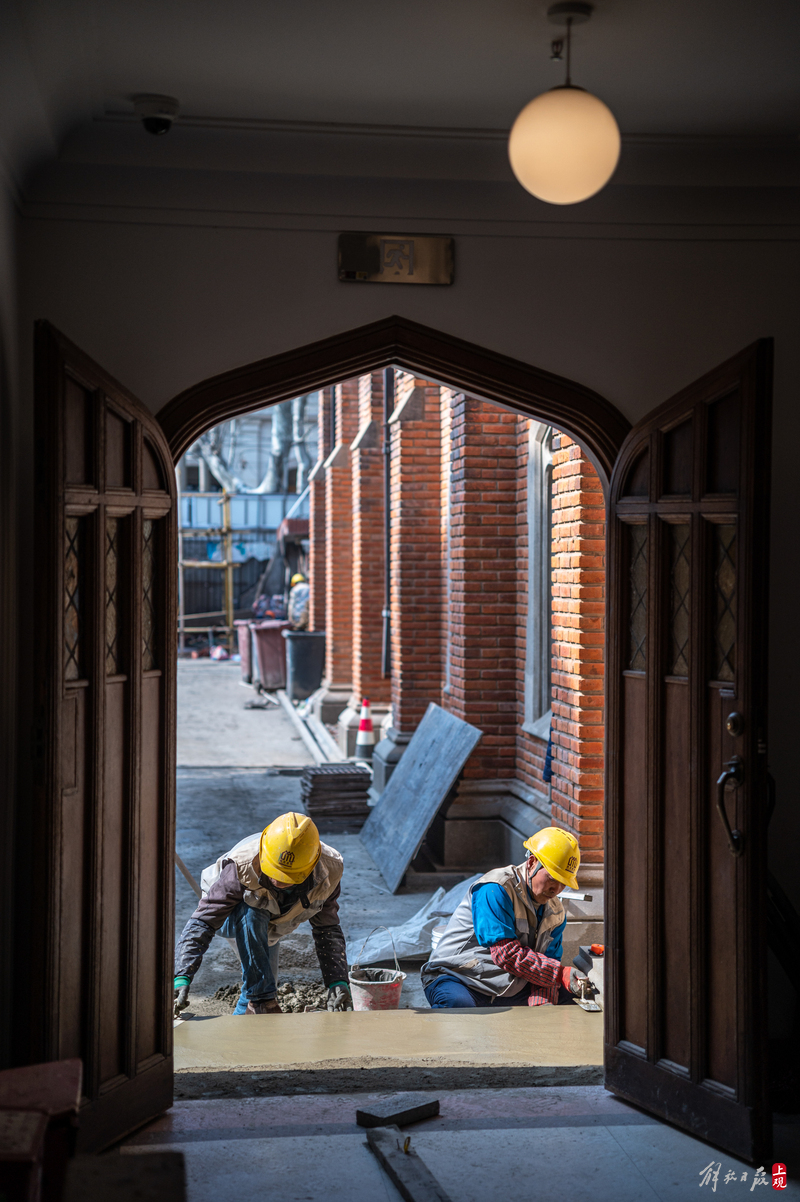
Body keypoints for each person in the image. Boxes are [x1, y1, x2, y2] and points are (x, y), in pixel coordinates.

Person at [173, 812, 353, 1015]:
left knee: (263, 983)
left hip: (275, 920)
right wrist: (182, 975)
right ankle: (260, 1002)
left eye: (288, 877)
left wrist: (337, 980)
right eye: (274, 872)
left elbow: (327, 928)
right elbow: (204, 922)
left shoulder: (328, 871)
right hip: (229, 913)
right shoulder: (241, 866)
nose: (279, 881)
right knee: (261, 990)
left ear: (310, 867)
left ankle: (248, 1020)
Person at [421, 827, 589, 1008]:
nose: (556, 889)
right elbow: (505, 954)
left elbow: (545, 973)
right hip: (460, 978)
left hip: (505, 988)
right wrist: (559, 973)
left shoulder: (555, 914)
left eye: (563, 883)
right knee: (458, 1010)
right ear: (532, 863)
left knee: (571, 1002)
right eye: (552, 878)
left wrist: (542, 1011)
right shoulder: (495, 889)